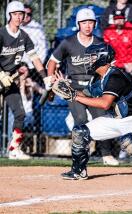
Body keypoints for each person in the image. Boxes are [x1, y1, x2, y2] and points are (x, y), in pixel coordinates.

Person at [52, 43, 132, 186]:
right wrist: (69, 89)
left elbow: (105, 103)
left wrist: (74, 97)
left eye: (92, 57)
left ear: (103, 58)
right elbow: (86, 95)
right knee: (80, 132)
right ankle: (78, 171)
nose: (89, 61)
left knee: (130, 143)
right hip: (115, 118)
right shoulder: (97, 77)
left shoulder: (115, 76)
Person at [46, 8, 119, 166]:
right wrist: (50, 81)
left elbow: (111, 65)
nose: (87, 26)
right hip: (74, 87)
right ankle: (81, 154)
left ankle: (106, 154)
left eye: (91, 22)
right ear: (78, 24)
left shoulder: (100, 43)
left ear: (95, 24)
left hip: (94, 87)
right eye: (84, 22)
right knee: (80, 119)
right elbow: (52, 61)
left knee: (103, 119)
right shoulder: (68, 42)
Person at [0, 1, 48, 160]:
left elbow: (35, 58)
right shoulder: (2, 34)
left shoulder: (24, 36)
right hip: (1, 78)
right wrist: (1, 74)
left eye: (22, 14)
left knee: (20, 114)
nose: (20, 17)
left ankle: (14, 149)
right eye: (16, 14)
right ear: (9, 15)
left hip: (10, 82)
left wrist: (45, 77)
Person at [103, 9, 132, 75]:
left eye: (121, 18)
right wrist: (112, 63)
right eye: (117, 19)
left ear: (125, 19)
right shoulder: (108, 31)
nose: (119, 21)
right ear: (113, 20)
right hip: (116, 65)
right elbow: (106, 49)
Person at [20, 4, 48, 71]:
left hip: (32, 65)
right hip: (18, 63)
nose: (26, 16)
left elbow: (43, 48)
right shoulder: (16, 26)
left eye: (29, 14)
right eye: (24, 13)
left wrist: (37, 65)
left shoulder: (37, 28)